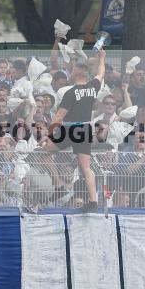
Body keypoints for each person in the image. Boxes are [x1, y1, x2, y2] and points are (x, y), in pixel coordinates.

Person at [50, 48, 106, 212]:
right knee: (86, 167)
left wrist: (48, 135)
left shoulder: (71, 92)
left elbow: (59, 116)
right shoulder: (92, 88)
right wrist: (101, 58)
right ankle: (93, 201)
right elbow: (100, 74)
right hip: (86, 130)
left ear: (77, 74)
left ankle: (59, 185)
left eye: (73, 70)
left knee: (43, 151)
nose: (71, 72)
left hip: (71, 130)